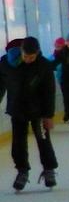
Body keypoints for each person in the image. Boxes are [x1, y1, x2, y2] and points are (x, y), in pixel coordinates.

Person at [0, 37, 58, 191]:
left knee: (43, 140)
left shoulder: (44, 65)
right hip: (17, 109)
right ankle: (22, 171)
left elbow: (49, 92)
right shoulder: (7, 63)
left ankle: (49, 169)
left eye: (32, 57)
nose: (28, 60)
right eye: (25, 56)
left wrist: (49, 115)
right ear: (21, 51)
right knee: (18, 143)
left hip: (38, 111)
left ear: (38, 53)